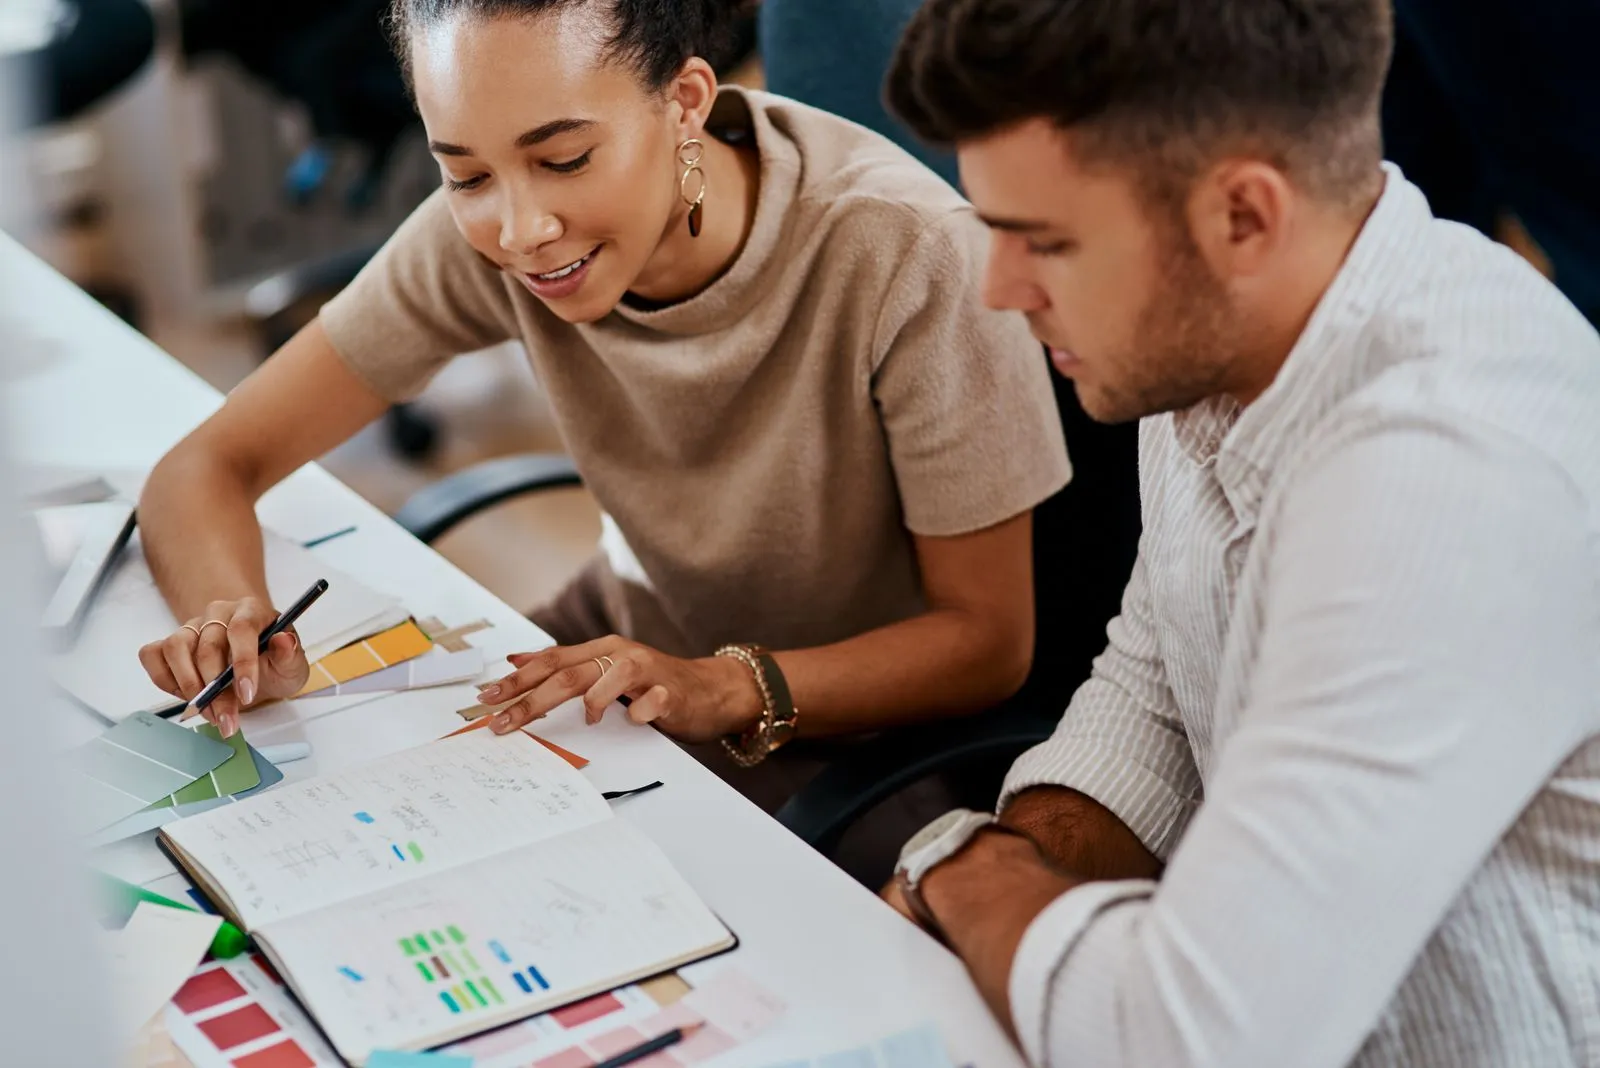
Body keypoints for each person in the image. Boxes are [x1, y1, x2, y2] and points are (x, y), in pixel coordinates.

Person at [879, 1, 1600, 1066]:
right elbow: (1160, 672)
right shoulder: (1219, 337)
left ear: (1243, 217)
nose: (999, 289)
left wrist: (958, 866)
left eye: (1045, 242)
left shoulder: (1446, 472)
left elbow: (1187, 1039)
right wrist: (1024, 851)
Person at [132, 0, 1068, 810]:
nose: (521, 230)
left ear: (686, 103)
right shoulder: (493, 236)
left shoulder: (908, 254)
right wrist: (236, 624)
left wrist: (721, 686)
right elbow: (202, 468)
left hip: (849, 736)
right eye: (465, 175)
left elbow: (987, 645)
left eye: (567, 159)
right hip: (623, 660)